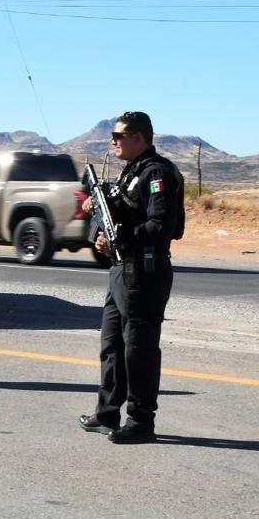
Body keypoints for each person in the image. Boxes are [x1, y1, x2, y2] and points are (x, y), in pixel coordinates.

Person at [79, 111, 184, 444]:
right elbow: (110, 214)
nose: (113, 142)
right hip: (121, 271)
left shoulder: (158, 174)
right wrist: (99, 231)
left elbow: (163, 226)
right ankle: (107, 412)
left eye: (119, 135)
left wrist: (122, 238)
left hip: (145, 271)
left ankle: (140, 421)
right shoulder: (131, 174)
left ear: (139, 138)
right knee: (112, 344)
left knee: (139, 349)